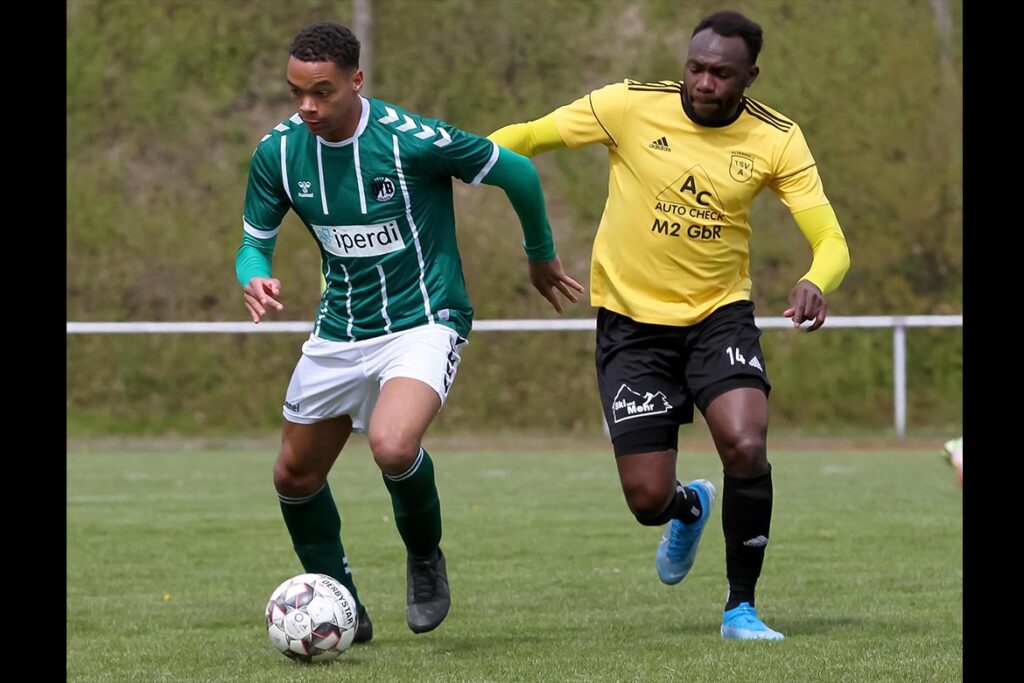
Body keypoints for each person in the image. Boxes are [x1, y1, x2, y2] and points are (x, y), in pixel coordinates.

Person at [489, 10, 850, 640]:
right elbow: (525, 139)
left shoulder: (777, 139)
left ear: (749, 77)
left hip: (720, 316)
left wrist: (817, 278)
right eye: (696, 67)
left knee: (745, 443)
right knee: (646, 500)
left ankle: (741, 607)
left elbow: (831, 239)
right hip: (631, 327)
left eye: (721, 73)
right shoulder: (626, 106)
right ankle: (690, 506)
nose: (704, 82)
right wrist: (443, 158)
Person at [237, 22, 583, 643]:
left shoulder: (411, 141)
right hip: (340, 329)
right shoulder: (280, 153)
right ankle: (340, 603)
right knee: (293, 476)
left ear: (356, 81)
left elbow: (520, 174)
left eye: (323, 91)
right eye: (296, 93)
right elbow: (252, 244)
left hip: (423, 320)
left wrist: (539, 254)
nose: (308, 107)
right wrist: (255, 276)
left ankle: (425, 558)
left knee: (394, 446)